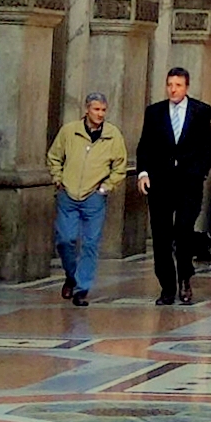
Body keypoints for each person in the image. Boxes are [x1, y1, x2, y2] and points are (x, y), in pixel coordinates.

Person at [134, 69, 211, 302]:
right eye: (170, 84)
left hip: (189, 183)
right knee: (161, 236)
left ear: (186, 87)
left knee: (183, 230)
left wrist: (199, 172)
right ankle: (167, 286)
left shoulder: (201, 110)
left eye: (178, 85)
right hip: (160, 182)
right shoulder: (155, 112)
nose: (173, 89)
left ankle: (184, 278)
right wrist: (143, 173)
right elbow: (145, 145)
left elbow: (205, 146)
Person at [48, 92, 124, 306]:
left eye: (103, 110)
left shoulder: (113, 135)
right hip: (68, 193)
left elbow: (119, 166)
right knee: (65, 239)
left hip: (94, 196)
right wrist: (58, 178)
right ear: (86, 109)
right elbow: (54, 156)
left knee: (90, 243)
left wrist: (106, 187)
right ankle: (72, 276)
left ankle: (82, 288)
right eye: (96, 109)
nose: (99, 114)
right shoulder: (69, 131)